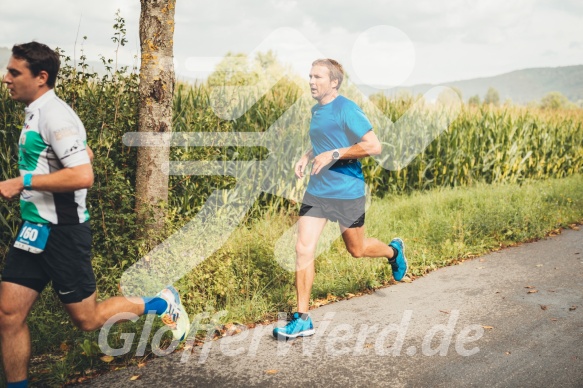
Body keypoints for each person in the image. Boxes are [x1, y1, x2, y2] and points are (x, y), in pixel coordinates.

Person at [0, 42, 189, 387]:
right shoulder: (36, 112)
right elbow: (79, 152)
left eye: (14, 72)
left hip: (63, 233)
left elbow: (83, 174)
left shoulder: (54, 114)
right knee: (8, 314)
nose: (5, 78)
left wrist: (22, 181)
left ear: (41, 77)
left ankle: (160, 302)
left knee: (87, 319)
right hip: (33, 229)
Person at [273, 59, 408, 340]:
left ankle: (394, 252)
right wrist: (308, 155)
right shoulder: (316, 109)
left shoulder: (346, 108)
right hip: (318, 192)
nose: (311, 81)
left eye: (318, 77)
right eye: (310, 76)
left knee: (357, 250)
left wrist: (334, 154)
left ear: (334, 82)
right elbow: (325, 139)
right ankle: (302, 319)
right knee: (302, 248)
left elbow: (374, 145)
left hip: (347, 193)